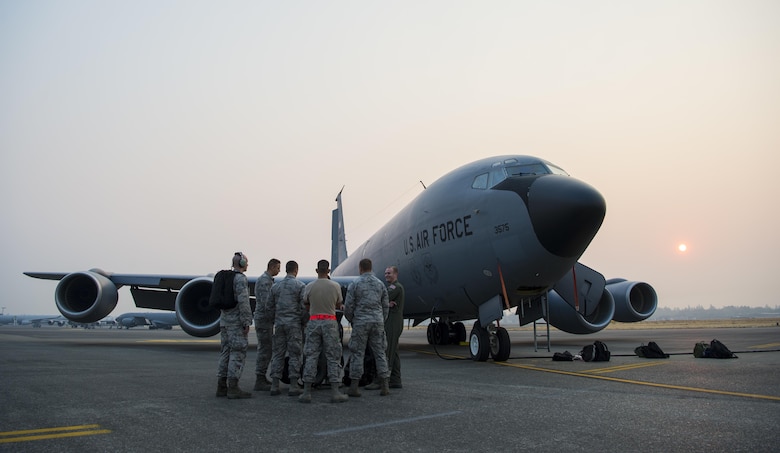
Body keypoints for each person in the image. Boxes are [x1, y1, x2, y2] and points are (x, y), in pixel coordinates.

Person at [299, 259, 349, 403]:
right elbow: (338, 304)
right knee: (333, 357)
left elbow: (306, 304)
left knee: (311, 356)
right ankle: (335, 392)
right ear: (328, 271)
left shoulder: (309, 286)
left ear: (316, 271)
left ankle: (307, 392)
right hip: (330, 322)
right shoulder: (335, 286)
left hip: (314, 322)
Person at [344, 258, 391, 397]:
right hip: (377, 322)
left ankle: (354, 387)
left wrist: (352, 319)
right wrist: (381, 319)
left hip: (361, 323)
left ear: (360, 268)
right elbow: (385, 306)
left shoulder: (355, 283)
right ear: (371, 268)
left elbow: (349, 306)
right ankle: (385, 386)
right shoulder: (380, 284)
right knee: (380, 353)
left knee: (357, 353)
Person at [216, 252, 253, 399]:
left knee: (225, 352)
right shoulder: (240, 279)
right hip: (236, 323)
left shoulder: (225, 278)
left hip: (224, 321)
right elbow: (244, 302)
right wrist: (246, 321)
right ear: (242, 264)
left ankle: (221, 386)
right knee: (237, 353)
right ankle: (233, 387)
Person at [267, 260, 307, 396]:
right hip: (294, 325)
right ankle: (294, 385)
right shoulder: (300, 286)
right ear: (296, 270)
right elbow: (304, 308)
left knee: (278, 353)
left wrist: (275, 319)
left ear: (285, 270)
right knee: (295, 354)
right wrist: (303, 322)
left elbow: (269, 307)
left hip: (279, 324)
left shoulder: (276, 287)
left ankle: (274, 384)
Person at [366, 265, 405, 390]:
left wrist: (385, 303)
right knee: (394, 351)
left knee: (386, 351)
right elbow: (384, 299)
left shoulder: (396, 287)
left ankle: (380, 381)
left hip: (392, 323)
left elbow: (379, 298)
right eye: (385, 273)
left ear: (396, 274)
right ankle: (395, 379)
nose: (387, 275)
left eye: (389, 273)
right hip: (392, 321)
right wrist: (387, 304)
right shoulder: (392, 287)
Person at [253, 258, 281, 391]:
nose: (279, 271)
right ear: (272, 267)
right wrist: (275, 317)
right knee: (265, 349)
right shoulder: (265, 281)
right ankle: (259, 379)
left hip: (265, 319)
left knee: (267, 348)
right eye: (277, 268)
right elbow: (266, 303)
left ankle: (262, 377)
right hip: (264, 319)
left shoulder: (268, 280)